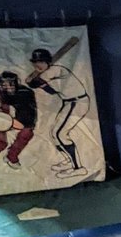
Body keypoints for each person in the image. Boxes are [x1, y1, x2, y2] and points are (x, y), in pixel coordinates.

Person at [27, 47, 90, 177]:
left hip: (77, 102)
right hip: (69, 102)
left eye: (41, 62)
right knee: (54, 133)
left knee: (61, 134)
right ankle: (69, 159)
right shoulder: (48, 71)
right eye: (36, 62)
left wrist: (32, 81)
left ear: (47, 61)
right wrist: (33, 81)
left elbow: (47, 87)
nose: (38, 65)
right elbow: (45, 87)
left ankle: (78, 168)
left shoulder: (56, 69)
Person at [0, 71, 37, 169]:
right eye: (4, 84)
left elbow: (28, 120)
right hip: (2, 116)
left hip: (21, 119)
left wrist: (10, 122)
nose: (8, 87)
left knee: (27, 132)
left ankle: (12, 156)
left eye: (11, 83)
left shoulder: (25, 93)